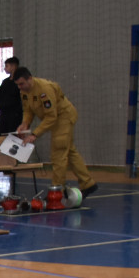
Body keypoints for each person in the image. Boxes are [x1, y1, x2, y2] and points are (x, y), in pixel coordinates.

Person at [14, 66, 98, 199]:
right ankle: (88, 183)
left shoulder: (45, 89)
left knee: (58, 153)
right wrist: (25, 123)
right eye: (18, 85)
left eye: (22, 84)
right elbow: (28, 110)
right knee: (69, 151)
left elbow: (51, 117)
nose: (20, 87)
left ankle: (57, 191)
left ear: (30, 79)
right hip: (55, 119)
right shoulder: (24, 91)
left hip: (63, 117)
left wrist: (34, 134)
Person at [0, 55, 22, 135]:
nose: (5, 68)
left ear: (13, 66)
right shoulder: (5, 82)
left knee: (12, 136)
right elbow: (0, 95)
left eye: (7, 66)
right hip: (3, 114)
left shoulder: (20, 81)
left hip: (15, 115)